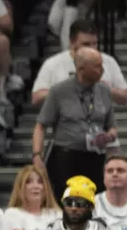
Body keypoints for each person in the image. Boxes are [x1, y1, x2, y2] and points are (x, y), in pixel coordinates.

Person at [33, 47, 117, 197]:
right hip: (66, 158)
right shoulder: (59, 91)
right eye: (97, 66)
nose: (102, 70)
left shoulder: (104, 91)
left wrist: (108, 136)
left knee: (95, 200)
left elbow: (112, 127)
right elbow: (41, 125)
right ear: (81, 68)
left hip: (95, 158)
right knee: (66, 200)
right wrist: (37, 155)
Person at [3, 164, 61, 230]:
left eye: (40, 182)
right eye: (28, 182)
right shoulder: (12, 214)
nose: (36, 186)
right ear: (20, 188)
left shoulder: (56, 214)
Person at [95, 155, 127, 230]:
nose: (114, 174)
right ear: (104, 177)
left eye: (120, 170)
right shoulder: (92, 204)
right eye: (110, 171)